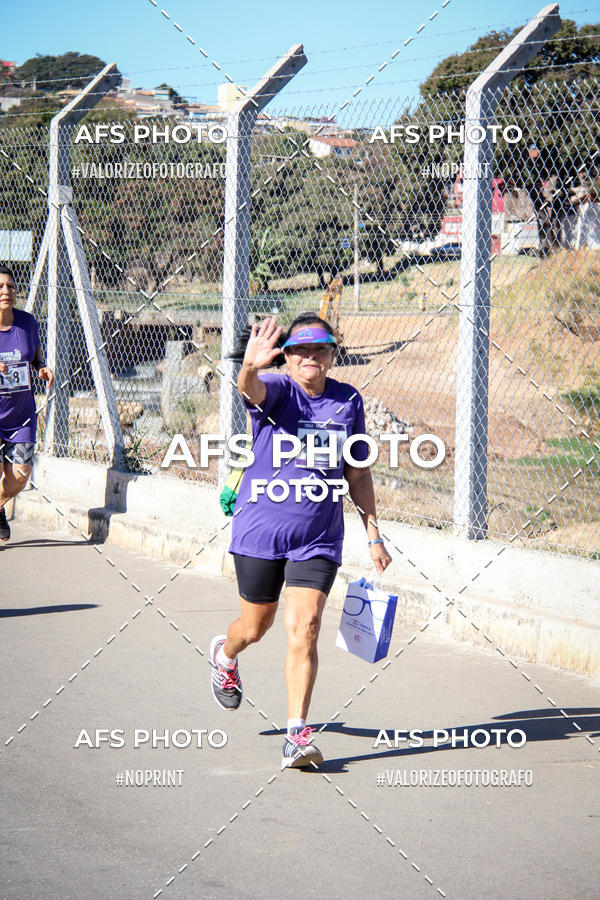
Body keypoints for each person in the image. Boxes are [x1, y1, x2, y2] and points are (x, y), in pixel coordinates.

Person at [209, 313, 391, 769]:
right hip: (260, 532)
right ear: (287, 357)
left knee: (305, 627)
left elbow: (357, 471)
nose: (310, 357)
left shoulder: (348, 400)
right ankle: (224, 655)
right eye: (300, 350)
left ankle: (296, 734)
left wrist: (373, 535)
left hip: (318, 538)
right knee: (255, 628)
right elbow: (250, 388)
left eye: (320, 349)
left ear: (332, 355)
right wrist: (249, 367)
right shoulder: (278, 390)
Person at [0, 265, 54, 542]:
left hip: (21, 416)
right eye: (0, 287)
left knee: (20, 475)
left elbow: (34, 355)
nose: (5, 292)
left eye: (10, 286)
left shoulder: (27, 322)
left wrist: (42, 367)